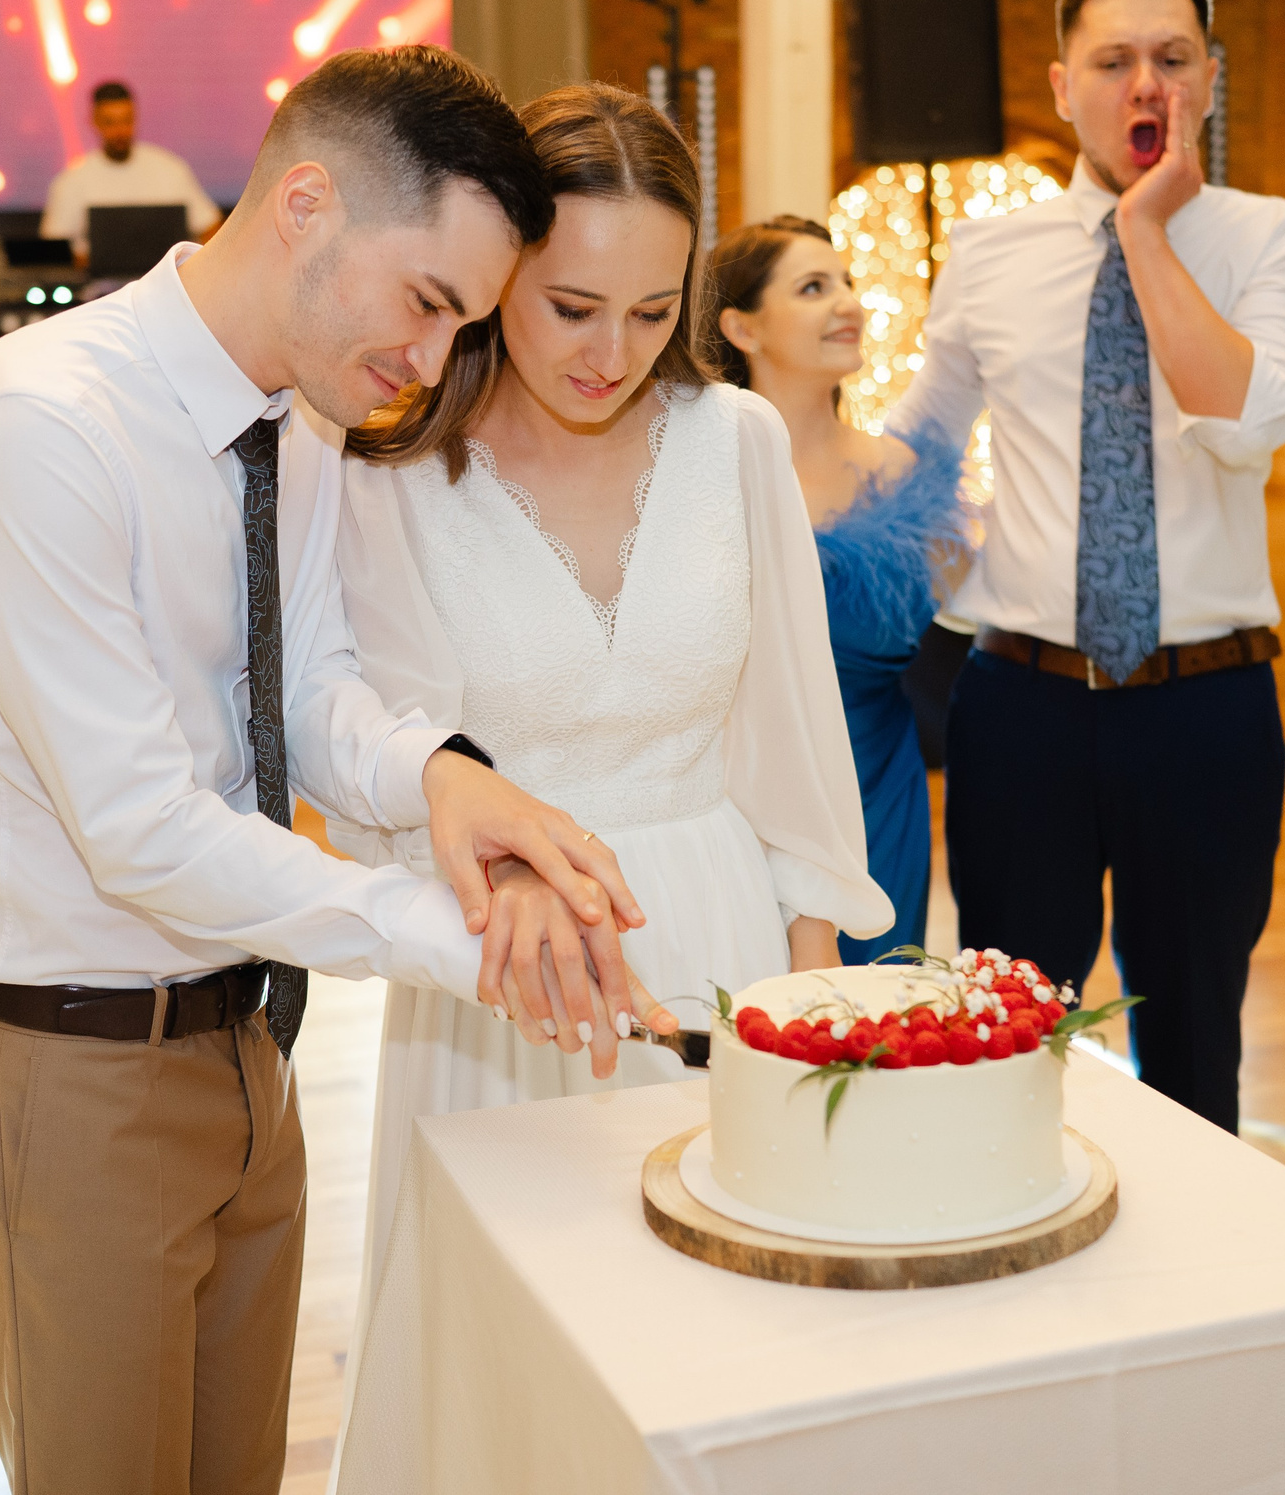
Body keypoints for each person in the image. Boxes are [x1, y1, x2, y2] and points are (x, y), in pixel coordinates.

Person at [0, 46, 674, 1495]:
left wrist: (450, 775)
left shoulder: (298, 421)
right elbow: (139, 828)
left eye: (465, 324)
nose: (432, 364)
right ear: (306, 200)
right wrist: (458, 941)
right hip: (68, 1071)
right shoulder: (40, 431)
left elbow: (307, 691)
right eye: (429, 302)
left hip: (244, 1049)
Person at [328, 85, 892, 1405]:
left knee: (730, 1358)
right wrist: (494, 881)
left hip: (717, 928)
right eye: (572, 308)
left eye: (653, 313)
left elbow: (795, 737)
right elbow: (383, 769)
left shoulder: (736, 438)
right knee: (523, 1376)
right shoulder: (392, 473)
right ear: (495, 270)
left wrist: (802, 1004)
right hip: (495, 964)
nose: (611, 351)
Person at [889, 0, 1285, 1131]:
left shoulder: (1278, 239)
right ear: (1060, 86)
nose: (1147, 85)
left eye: (1173, 59)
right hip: (1020, 710)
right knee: (1003, 1039)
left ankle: (1191, 1300)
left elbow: (1241, 425)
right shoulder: (988, 254)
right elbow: (915, 455)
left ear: (1211, 76)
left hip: (1208, 708)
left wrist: (1146, 231)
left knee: (1195, 1043)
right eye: (1114, 61)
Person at [705, 215, 968, 964]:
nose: (847, 302)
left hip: (877, 792)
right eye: (814, 287)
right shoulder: (704, 476)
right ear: (742, 327)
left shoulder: (907, 478)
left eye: (848, 282)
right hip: (739, 797)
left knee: (872, 1019)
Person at [40, 78, 225, 264]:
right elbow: (56, 249)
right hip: (99, 291)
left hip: (169, 284)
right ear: (94, 121)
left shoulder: (169, 168)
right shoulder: (72, 181)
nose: (120, 131)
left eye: (126, 120)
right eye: (110, 122)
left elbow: (210, 227)